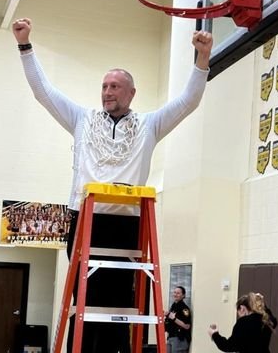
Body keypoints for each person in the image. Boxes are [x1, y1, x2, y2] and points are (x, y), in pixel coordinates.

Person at [12, 18, 213, 353]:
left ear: (131, 92)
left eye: (114, 86)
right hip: (86, 219)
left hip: (127, 224)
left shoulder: (149, 124)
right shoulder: (81, 118)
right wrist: (25, 45)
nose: (107, 92)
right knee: (86, 302)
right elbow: (43, 92)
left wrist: (202, 57)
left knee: (121, 305)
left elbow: (188, 101)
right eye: (104, 86)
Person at [208, 292, 276, 353]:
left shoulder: (243, 322)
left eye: (238, 313)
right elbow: (273, 320)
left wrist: (214, 335)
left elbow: (228, 346)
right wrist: (263, 303)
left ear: (242, 308)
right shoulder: (266, 320)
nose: (239, 316)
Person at [164, 286, 192, 353]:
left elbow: (187, 326)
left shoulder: (184, 308)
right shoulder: (173, 306)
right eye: (174, 292)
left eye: (178, 293)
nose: (175, 294)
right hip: (170, 337)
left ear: (183, 295)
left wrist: (174, 318)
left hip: (179, 339)